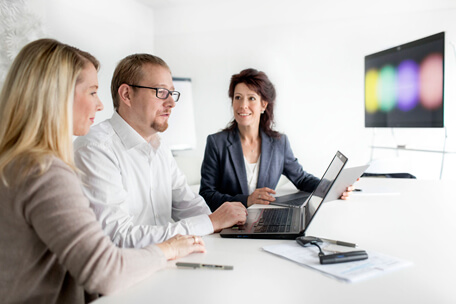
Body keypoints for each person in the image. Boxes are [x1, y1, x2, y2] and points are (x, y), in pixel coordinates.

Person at [0, 39, 205, 304]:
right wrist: (167, 249)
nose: (99, 105)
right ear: (58, 94)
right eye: (92, 92)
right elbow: (104, 270)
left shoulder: (17, 162)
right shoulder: (45, 171)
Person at [73, 53, 246, 248]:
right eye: (161, 92)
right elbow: (118, 237)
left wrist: (231, 223)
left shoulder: (159, 145)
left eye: (172, 93)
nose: (172, 103)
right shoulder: (95, 148)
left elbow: (188, 204)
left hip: (165, 261)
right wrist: (211, 222)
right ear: (127, 95)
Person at [199, 68, 353, 211]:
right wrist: (247, 200)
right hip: (229, 223)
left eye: (251, 98)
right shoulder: (216, 143)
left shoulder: (279, 143)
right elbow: (207, 195)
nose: (243, 105)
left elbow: (301, 178)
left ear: (263, 105)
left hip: (265, 218)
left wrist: (331, 187)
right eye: (237, 97)